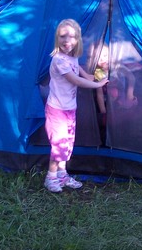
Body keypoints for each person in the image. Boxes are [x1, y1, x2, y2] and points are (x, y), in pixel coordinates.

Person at [44, 19, 108, 193]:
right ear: (57, 38)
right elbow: (75, 80)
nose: (67, 41)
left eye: (71, 37)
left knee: (67, 144)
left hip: (69, 109)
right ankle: (50, 177)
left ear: (78, 39)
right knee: (58, 145)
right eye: (63, 36)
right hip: (57, 110)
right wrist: (97, 85)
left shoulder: (72, 56)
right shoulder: (58, 60)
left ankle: (62, 175)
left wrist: (87, 74)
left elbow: (77, 68)